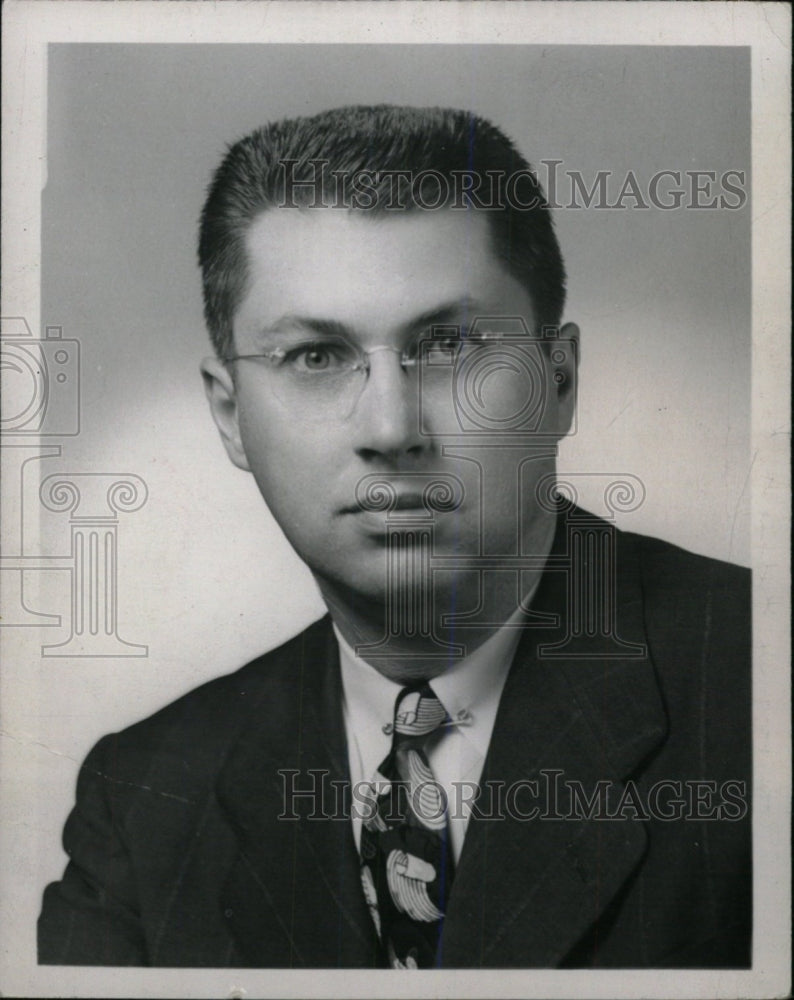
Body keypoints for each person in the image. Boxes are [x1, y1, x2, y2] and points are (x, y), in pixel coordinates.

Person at [38, 105, 751, 969]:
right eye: (315, 356)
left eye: (448, 345)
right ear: (230, 416)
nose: (390, 427)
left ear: (558, 382)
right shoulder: (145, 797)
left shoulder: (758, 682)